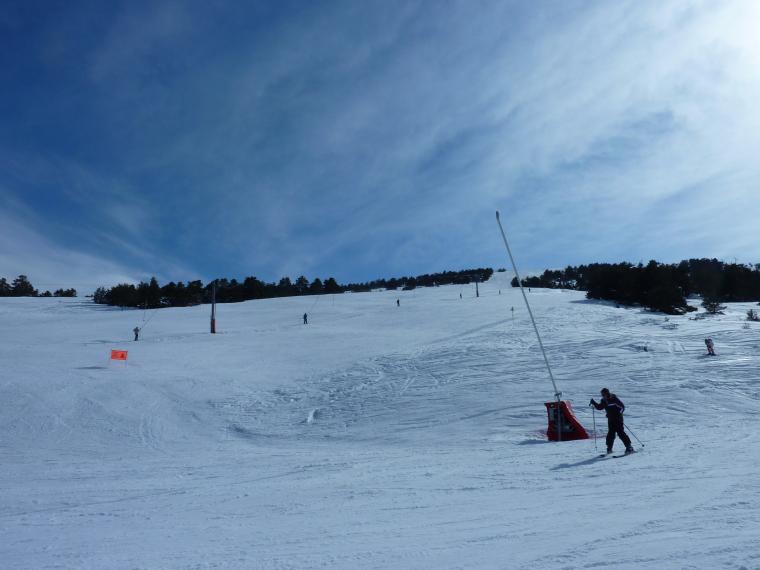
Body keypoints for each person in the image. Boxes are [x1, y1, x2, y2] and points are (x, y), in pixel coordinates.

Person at [590, 388, 633, 455]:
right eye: (602, 395)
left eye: (604, 394)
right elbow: (600, 407)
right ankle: (609, 448)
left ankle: (629, 447)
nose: (603, 396)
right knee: (610, 434)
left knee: (620, 432)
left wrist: (618, 414)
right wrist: (594, 403)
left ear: (607, 393)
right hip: (610, 419)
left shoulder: (614, 399)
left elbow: (622, 407)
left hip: (618, 419)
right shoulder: (603, 400)